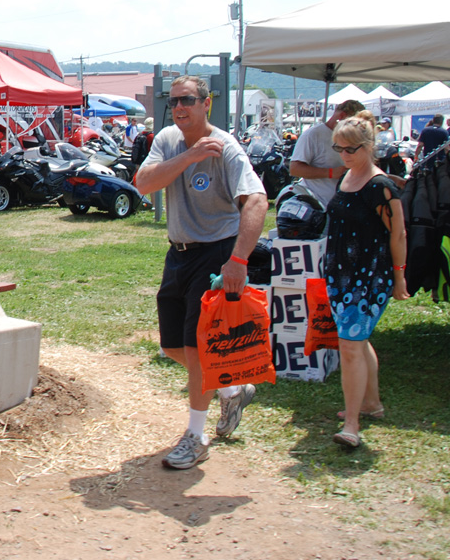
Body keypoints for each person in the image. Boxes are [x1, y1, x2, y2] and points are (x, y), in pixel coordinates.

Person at [133, 75, 268, 470]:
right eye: (173, 101)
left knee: (196, 348)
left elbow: (257, 200)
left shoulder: (226, 147)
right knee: (172, 346)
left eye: (188, 100)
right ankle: (231, 388)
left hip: (216, 254)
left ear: (206, 103)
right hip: (179, 253)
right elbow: (143, 183)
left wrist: (239, 260)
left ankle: (196, 436)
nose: (179, 107)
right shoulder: (167, 141)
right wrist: (189, 156)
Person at [322, 111, 409, 449]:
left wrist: (399, 279)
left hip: (368, 278)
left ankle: (353, 423)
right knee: (356, 341)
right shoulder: (345, 178)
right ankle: (371, 403)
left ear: (368, 147)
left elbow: (398, 234)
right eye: (338, 148)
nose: (344, 154)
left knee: (350, 346)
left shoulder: (381, 186)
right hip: (340, 275)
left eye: (350, 149)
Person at [288, 99, 366, 207]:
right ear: (342, 116)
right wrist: (330, 173)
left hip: (346, 204)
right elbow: (295, 169)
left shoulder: (352, 137)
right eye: (353, 123)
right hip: (319, 204)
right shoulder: (313, 135)